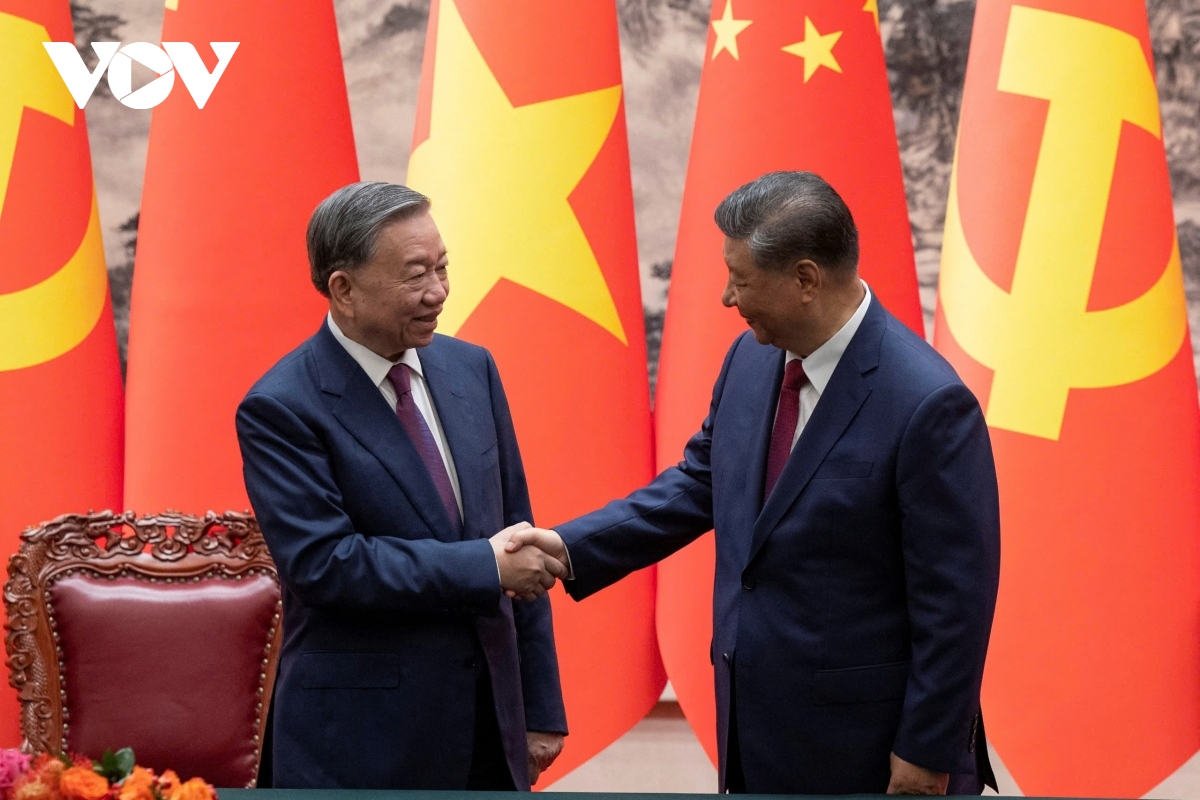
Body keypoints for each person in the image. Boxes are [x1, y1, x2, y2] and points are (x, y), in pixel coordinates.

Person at [508, 172, 1001, 794]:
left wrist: (926, 753)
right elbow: (700, 483)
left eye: (740, 280)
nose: (726, 297)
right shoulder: (752, 358)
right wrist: (569, 547)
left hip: (869, 753)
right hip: (755, 734)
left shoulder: (927, 404)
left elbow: (956, 605)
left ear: (804, 279)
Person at [236, 182, 568, 791]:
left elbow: (520, 535)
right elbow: (325, 564)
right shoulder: (282, 406)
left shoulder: (472, 369)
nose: (438, 291)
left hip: (488, 730)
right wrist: (483, 566)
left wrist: (539, 706)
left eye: (443, 267)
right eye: (416, 275)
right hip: (363, 743)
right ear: (344, 288)